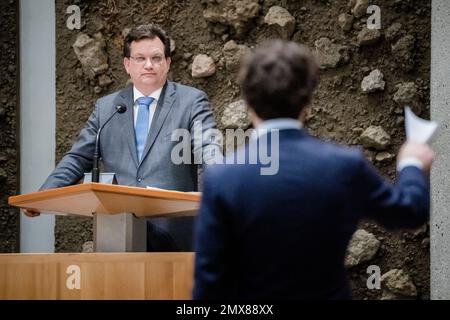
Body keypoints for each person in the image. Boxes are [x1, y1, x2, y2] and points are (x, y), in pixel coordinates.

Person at [192, 40, 434, 299]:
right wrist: (411, 163)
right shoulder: (346, 165)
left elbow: (209, 284)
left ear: (249, 104)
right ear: (307, 102)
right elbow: (410, 211)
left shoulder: (222, 177)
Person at [25, 23, 220, 251]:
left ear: (167, 63)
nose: (149, 65)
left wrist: (219, 198)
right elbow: (77, 158)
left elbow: (209, 151)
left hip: (175, 234)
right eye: (140, 58)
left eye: (156, 58)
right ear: (127, 65)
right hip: (118, 232)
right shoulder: (107, 108)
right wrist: (42, 197)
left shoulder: (191, 101)